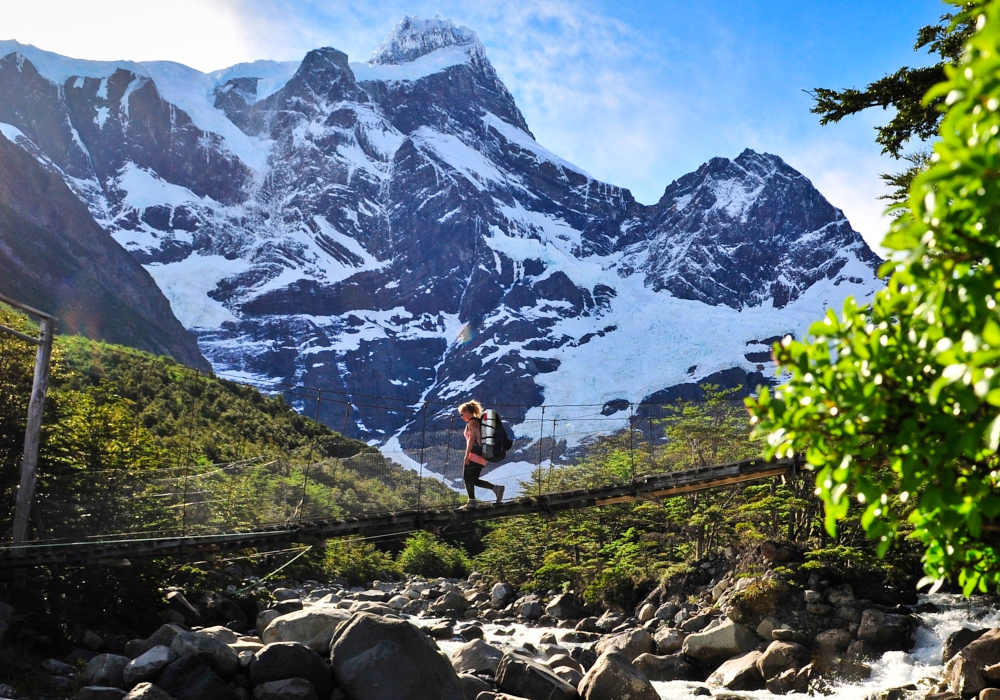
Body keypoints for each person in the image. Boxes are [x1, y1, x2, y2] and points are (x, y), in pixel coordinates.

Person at [458, 400, 504, 508]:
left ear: (467, 411)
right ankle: (497, 489)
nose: (461, 416)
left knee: (467, 477)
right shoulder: (477, 421)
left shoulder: (472, 422)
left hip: (474, 455)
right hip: (481, 456)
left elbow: (471, 440)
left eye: (462, 413)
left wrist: (466, 455)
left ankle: (472, 502)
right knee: (473, 479)